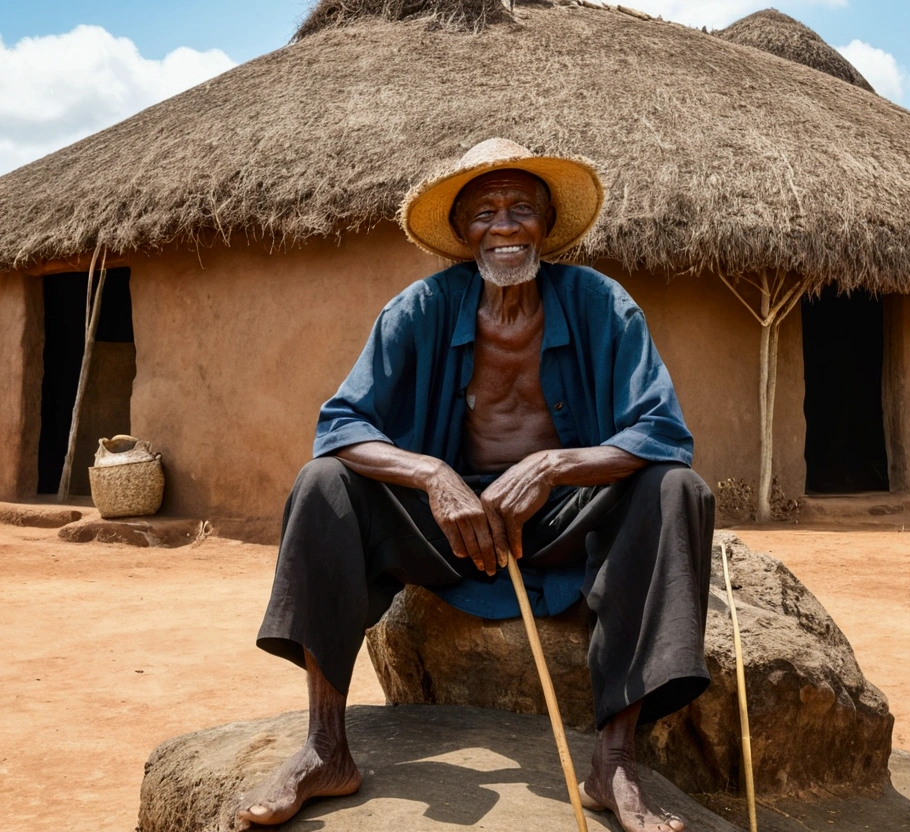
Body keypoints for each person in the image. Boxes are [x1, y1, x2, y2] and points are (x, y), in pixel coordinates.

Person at [239, 138, 715, 832]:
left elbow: (663, 431)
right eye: (485, 213)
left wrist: (553, 466)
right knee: (323, 485)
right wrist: (434, 475)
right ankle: (325, 746)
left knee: (677, 490)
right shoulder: (420, 308)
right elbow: (340, 424)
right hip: (450, 531)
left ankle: (614, 760)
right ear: (463, 234)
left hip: (565, 523)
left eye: (520, 209)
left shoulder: (599, 302)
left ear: (546, 227)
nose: (503, 226)